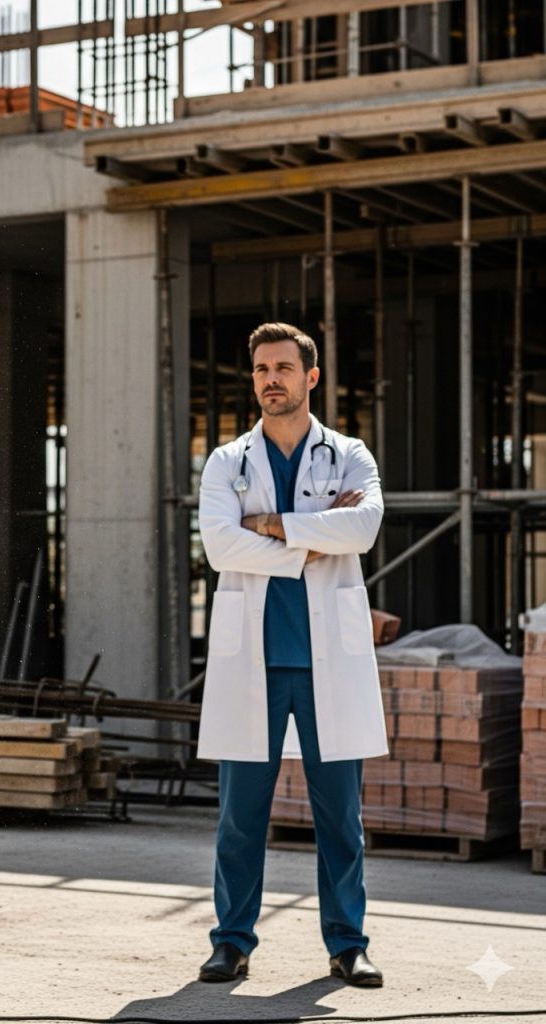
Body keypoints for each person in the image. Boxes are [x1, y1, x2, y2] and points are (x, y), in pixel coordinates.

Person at [195, 322, 387, 988]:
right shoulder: (227, 462)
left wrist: (274, 527)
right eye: (259, 369)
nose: (270, 379)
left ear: (311, 377)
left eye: (283, 367)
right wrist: (312, 537)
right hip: (253, 660)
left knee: (341, 817)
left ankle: (347, 942)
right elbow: (221, 548)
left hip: (325, 661)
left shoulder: (350, 455)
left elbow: (362, 528)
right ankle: (231, 942)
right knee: (240, 818)